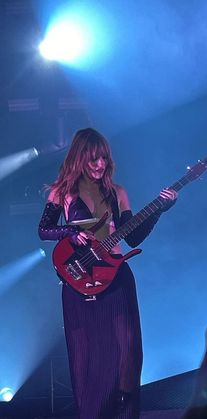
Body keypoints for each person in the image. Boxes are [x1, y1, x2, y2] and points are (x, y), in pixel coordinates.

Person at [38, 128, 177, 419]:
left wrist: (159, 210)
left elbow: (134, 237)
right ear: (79, 159)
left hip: (117, 281)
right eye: (92, 160)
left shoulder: (117, 193)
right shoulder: (61, 192)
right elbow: (44, 229)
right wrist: (71, 233)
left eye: (103, 158)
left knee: (126, 355)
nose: (100, 165)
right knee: (88, 360)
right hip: (79, 285)